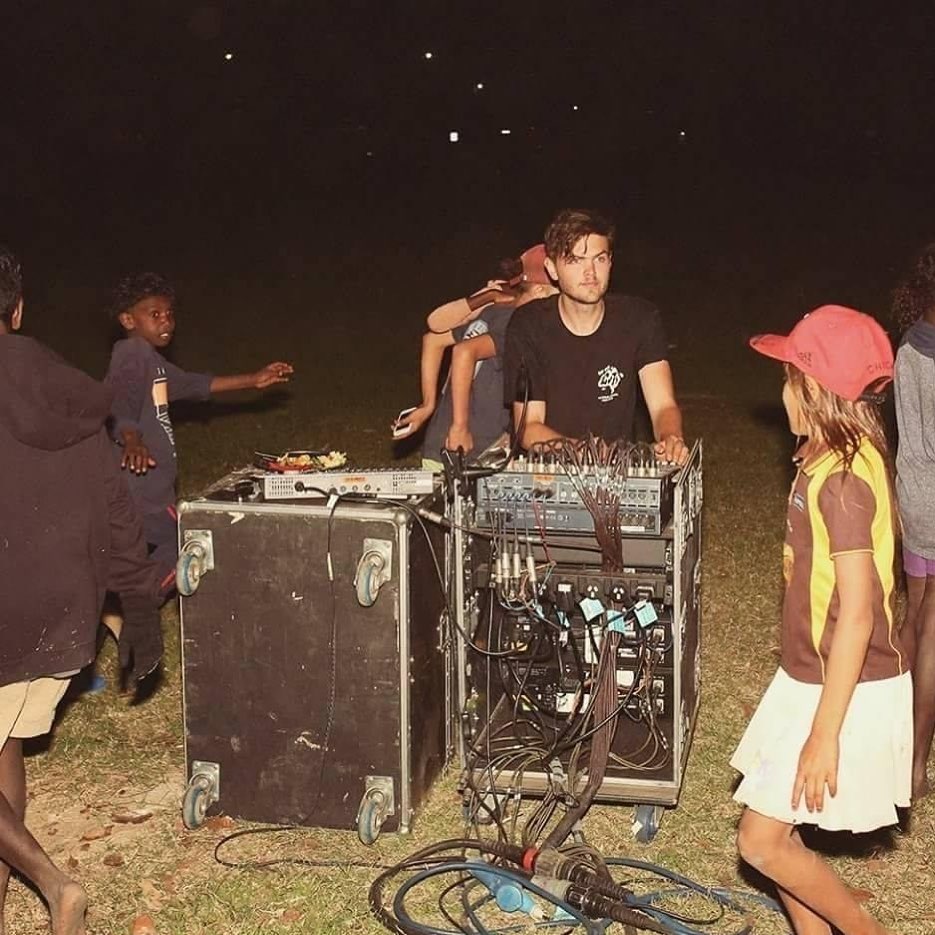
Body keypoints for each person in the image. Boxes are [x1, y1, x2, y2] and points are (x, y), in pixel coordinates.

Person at [0, 247, 165, 935]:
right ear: (16, 310)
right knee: (5, 745)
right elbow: (116, 498)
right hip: (65, 604)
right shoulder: (66, 386)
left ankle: (55, 884)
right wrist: (142, 609)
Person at [733, 305, 908, 935]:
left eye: (789, 379)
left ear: (812, 388)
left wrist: (823, 734)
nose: (781, 392)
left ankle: (863, 929)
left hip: (846, 687)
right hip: (810, 675)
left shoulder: (843, 482)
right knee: (777, 833)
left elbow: (857, 614)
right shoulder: (832, 457)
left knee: (760, 841)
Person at [105, 272, 294, 589]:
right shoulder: (131, 355)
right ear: (128, 319)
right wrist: (131, 438)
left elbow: (195, 384)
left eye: (169, 314)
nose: (166, 321)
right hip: (141, 487)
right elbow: (119, 400)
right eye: (154, 314)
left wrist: (253, 379)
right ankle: (141, 595)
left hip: (147, 488)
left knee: (165, 544)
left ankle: (123, 596)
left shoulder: (153, 362)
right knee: (191, 539)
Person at [502, 209, 688, 464]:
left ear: (610, 262)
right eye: (576, 260)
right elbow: (529, 427)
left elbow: (663, 406)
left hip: (616, 471)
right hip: (547, 471)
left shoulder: (640, 319)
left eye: (599, 259)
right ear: (552, 269)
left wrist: (671, 437)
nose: (590, 272)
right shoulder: (529, 325)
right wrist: (583, 452)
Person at [393, 246, 555, 469]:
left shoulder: (494, 312)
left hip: (441, 441)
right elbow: (464, 352)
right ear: (540, 291)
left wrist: (428, 404)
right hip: (470, 449)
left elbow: (433, 340)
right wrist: (460, 427)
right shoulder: (515, 325)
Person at [892, 243, 935, 798]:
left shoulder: (909, 341)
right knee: (932, 633)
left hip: (914, 494)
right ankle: (916, 765)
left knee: (915, 615)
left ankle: (891, 742)